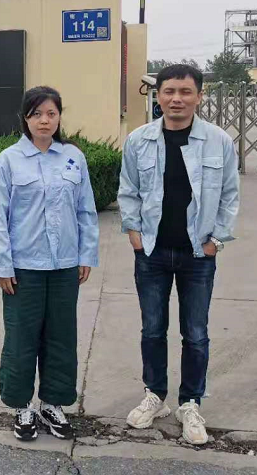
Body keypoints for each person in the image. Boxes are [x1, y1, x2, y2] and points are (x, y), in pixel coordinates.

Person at [118, 64, 239, 445]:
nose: (176, 99)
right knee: (152, 329)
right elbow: (128, 191)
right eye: (169, 91)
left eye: (185, 92)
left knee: (196, 333)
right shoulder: (139, 140)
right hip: (152, 251)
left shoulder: (219, 141)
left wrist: (216, 241)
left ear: (199, 96)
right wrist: (135, 234)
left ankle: (190, 403)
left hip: (198, 254)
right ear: (158, 95)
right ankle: (155, 396)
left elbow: (230, 196)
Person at [0, 86, 99, 441]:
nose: (44, 120)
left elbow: (86, 210)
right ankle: (22, 407)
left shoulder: (73, 157)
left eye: (51, 113)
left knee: (61, 338)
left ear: (59, 117)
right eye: (36, 114)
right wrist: (3, 264)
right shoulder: (9, 160)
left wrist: (86, 254)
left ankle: (52, 404)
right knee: (21, 338)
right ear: (25, 118)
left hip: (65, 265)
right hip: (24, 267)